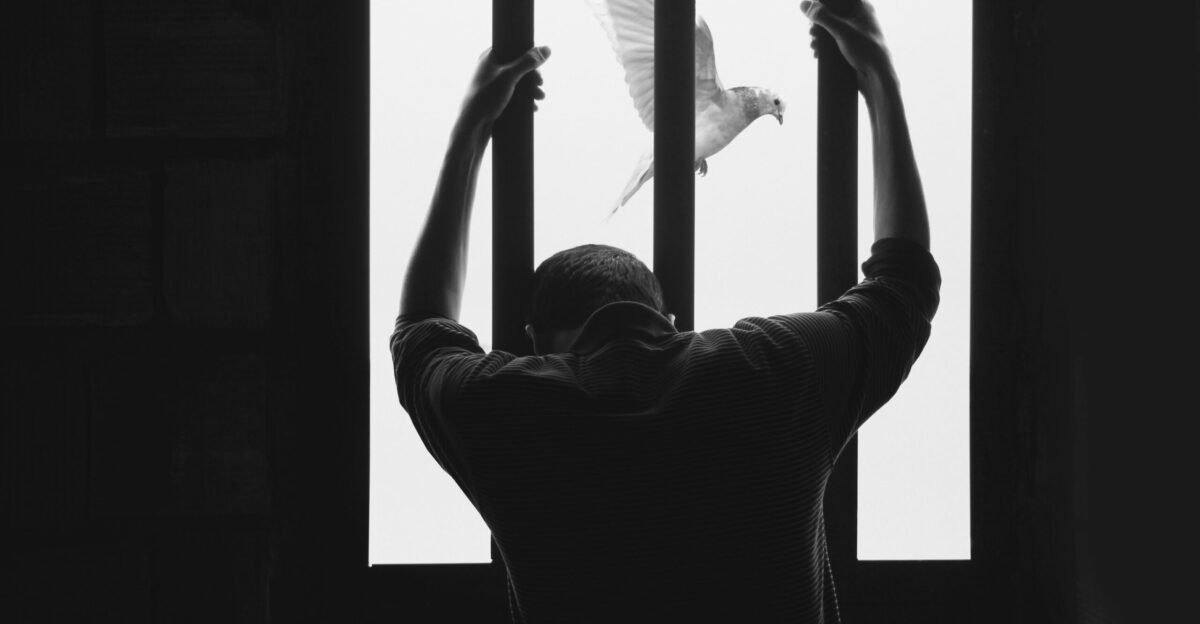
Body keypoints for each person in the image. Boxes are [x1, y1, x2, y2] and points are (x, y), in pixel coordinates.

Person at [391, 1, 939, 622]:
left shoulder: (509, 412)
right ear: (671, 320)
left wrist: (472, 125)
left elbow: (418, 335)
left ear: (535, 343)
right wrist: (878, 75)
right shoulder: (779, 373)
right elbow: (905, 287)